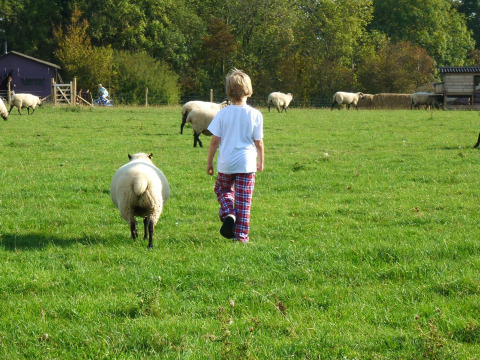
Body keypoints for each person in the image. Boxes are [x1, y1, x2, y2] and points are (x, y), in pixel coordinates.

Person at [206, 69, 264, 243]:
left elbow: (214, 141)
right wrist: (260, 161)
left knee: (222, 190)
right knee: (244, 201)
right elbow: (258, 142)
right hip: (247, 164)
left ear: (229, 91)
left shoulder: (223, 113)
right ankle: (241, 237)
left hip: (226, 164)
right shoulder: (255, 114)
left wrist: (209, 162)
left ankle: (228, 212)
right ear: (248, 89)